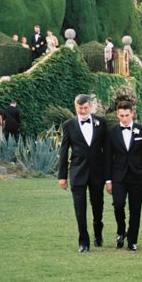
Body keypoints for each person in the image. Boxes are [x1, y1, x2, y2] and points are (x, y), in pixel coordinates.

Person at [58, 94, 108, 252]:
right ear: (75, 107)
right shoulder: (68, 125)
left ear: (91, 107)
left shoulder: (102, 123)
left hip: (97, 172)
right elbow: (64, 151)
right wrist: (62, 176)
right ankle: (83, 242)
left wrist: (108, 177)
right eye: (80, 108)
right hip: (77, 171)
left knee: (98, 205)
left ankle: (98, 231)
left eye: (86, 107)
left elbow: (107, 151)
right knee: (79, 208)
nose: (83, 110)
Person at [105, 98, 142, 251]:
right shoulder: (112, 132)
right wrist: (108, 180)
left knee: (135, 208)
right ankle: (121, 231)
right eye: (121, 115)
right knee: (118, 204)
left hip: (137, 176)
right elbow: (107, 158)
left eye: (127, 115)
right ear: (117, 115)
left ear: (132, 114)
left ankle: (132, 240)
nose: (124, 118)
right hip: (118, 176)